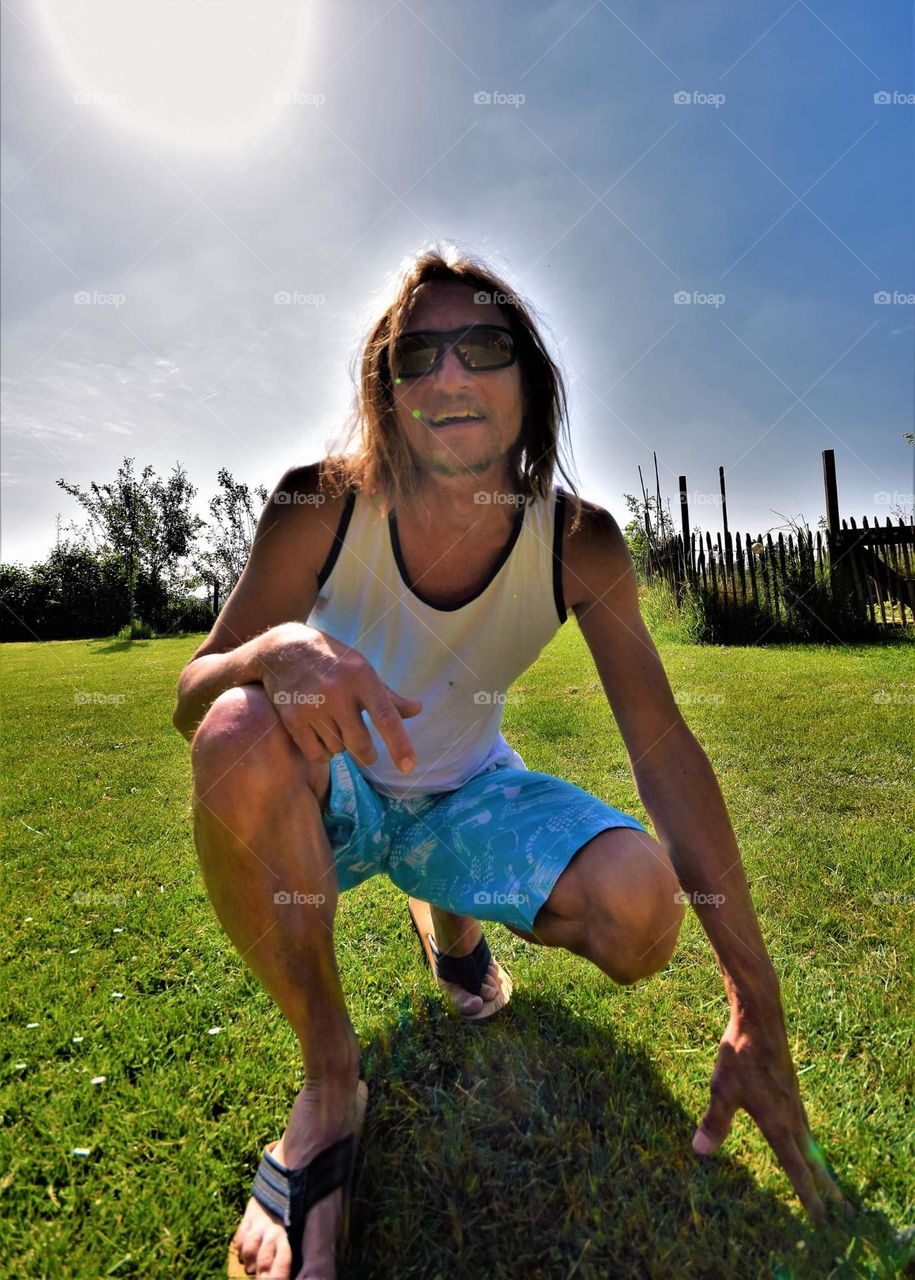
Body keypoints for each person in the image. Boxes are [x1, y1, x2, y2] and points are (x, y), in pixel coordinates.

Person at [172, 245, 852, 1279]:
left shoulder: (579, 543)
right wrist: (272, 652)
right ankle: (330, 1077)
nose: (448, 376)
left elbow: (664, 752)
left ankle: (447, 916)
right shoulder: (319, 503)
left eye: (482, 346)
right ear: (387, 392)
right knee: (232, 733)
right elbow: (194, 692)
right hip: (338, 784)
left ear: (530, 383)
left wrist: (755, 1000)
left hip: (466, 792)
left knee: (640, 908)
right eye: (416, 355)